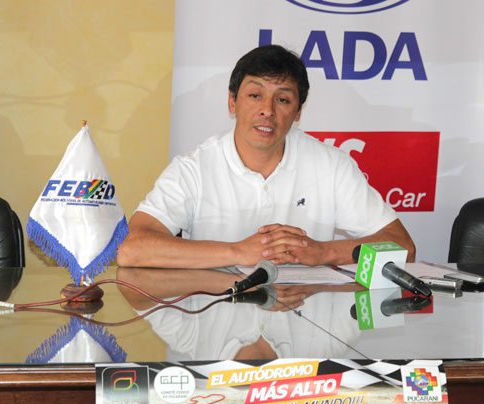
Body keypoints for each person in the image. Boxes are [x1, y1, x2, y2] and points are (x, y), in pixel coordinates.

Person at [117, 44, 415, 269]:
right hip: (216, 319)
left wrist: (322, 251)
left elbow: (403, 247)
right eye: (255, 95)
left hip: (307, 320)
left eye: (283, 99)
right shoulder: (193, 168)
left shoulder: (331, 165)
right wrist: (239, 251)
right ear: (232, 102)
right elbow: (132, 249)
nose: (267, 111)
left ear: (297, 113)